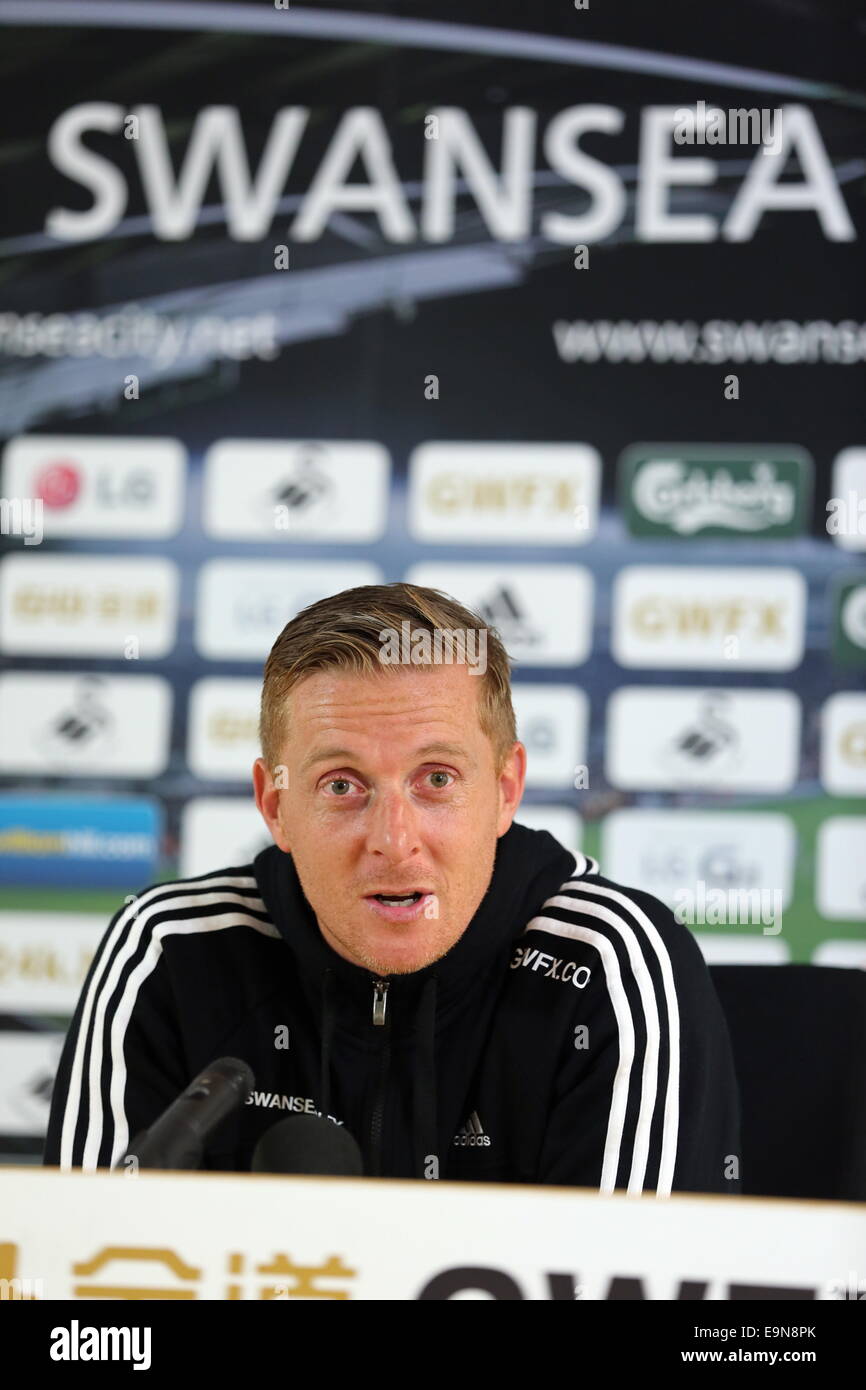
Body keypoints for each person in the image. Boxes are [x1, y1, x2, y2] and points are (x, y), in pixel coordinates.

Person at [44, 582, 741, 1193]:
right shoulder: (171, 951)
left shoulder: (612, 964)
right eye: (342, 786)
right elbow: (83, 1286)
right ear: (275, 806)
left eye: (436, 779)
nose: (393, 838)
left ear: (505, 791)